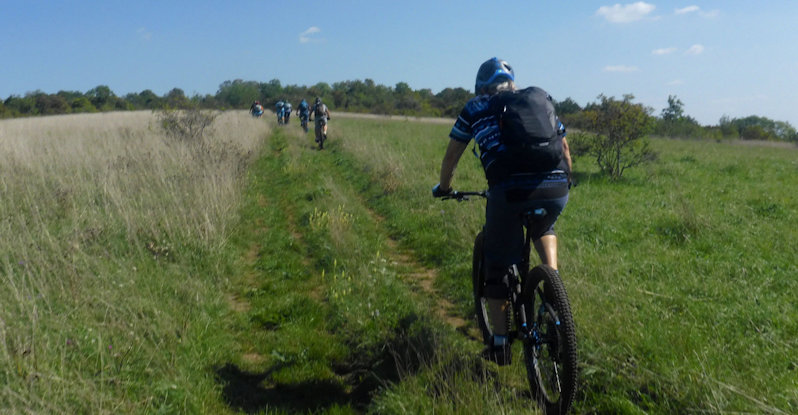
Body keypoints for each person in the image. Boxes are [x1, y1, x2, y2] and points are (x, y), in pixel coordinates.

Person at [432, 57, 572, 365]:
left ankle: (499, 344)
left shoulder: (475, 107)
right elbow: (563, 150)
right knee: (543, 227)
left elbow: (452, 155)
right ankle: (553, 286)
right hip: (557, 188)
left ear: (481, 87)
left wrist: (444, 187)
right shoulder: (538, 99)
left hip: (509, 193)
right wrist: (565, 182)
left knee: (496, 266)